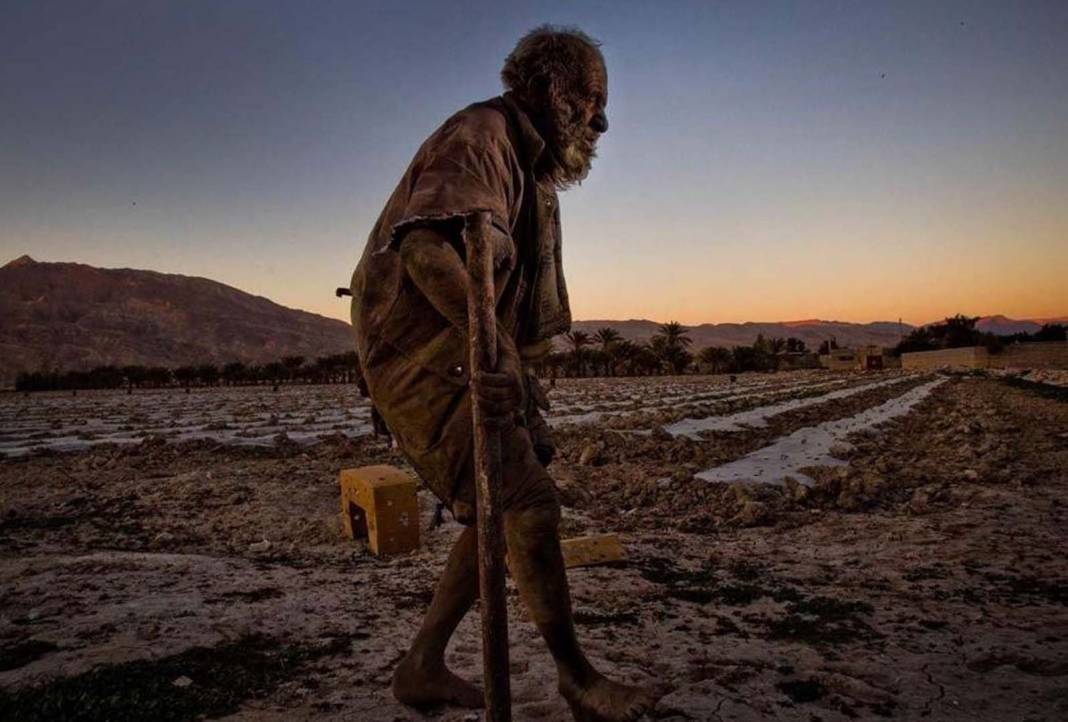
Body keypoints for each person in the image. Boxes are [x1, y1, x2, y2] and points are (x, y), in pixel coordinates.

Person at [349, 25, 658, 722]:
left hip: (468, 349)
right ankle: (577, 679)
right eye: (590, 98)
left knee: (502, 500)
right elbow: (428, 250)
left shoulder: (532, 168)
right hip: (423, 357)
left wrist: (507, 356)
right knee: (527, 502)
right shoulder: (481, 136)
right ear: (550, 88)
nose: (601, 119)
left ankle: (422, 664)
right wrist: (495, 348)